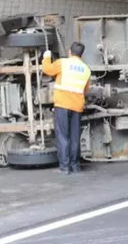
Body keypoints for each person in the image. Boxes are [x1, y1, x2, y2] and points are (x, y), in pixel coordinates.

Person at [43, 42, 91, 174]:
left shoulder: (63, 63)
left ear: (70, 52)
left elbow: (47, 70)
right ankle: (75, 166)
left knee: (63, 136)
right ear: (82, 55)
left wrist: (46, 57)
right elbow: (85, 89)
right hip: (77, 106)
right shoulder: (86, 69)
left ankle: (64, 167)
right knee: (75, 137)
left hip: (62, 105)